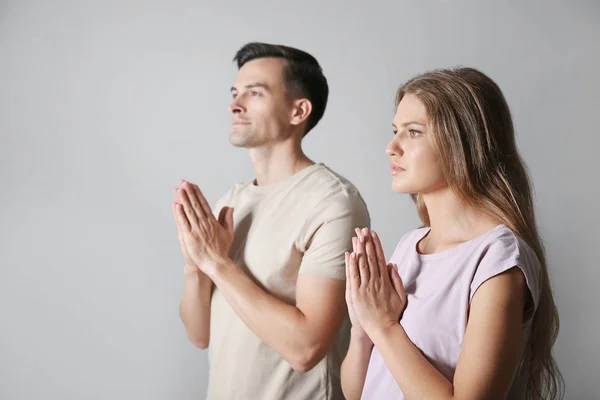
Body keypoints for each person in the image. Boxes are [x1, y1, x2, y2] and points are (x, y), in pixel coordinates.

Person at [340, 67, 563, 399]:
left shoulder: (498, 259)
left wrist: (384, 326)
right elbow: (359, 392)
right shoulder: (409, 246)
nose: (391, 146)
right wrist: (362, 326)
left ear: (464, 143)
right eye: (395, 130)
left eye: (413, 132)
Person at [172, 42, 370, 400]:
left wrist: (217, 264)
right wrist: (194, 265)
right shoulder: (232, 201)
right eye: (235, 93)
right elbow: (199, 334)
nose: (235, 104)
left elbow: (306, 348)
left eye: (254, 93)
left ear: (299, 111)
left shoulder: (333, 202)